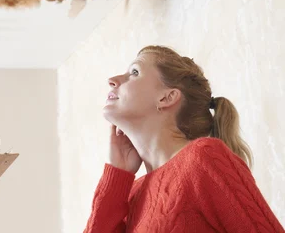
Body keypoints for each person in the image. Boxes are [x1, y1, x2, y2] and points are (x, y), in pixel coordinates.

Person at [84, 45, 284, 233]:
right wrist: (117, 175)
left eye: (134, 72)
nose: (112, 80)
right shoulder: (133, 191)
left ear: (167, 97)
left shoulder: (203, 157)